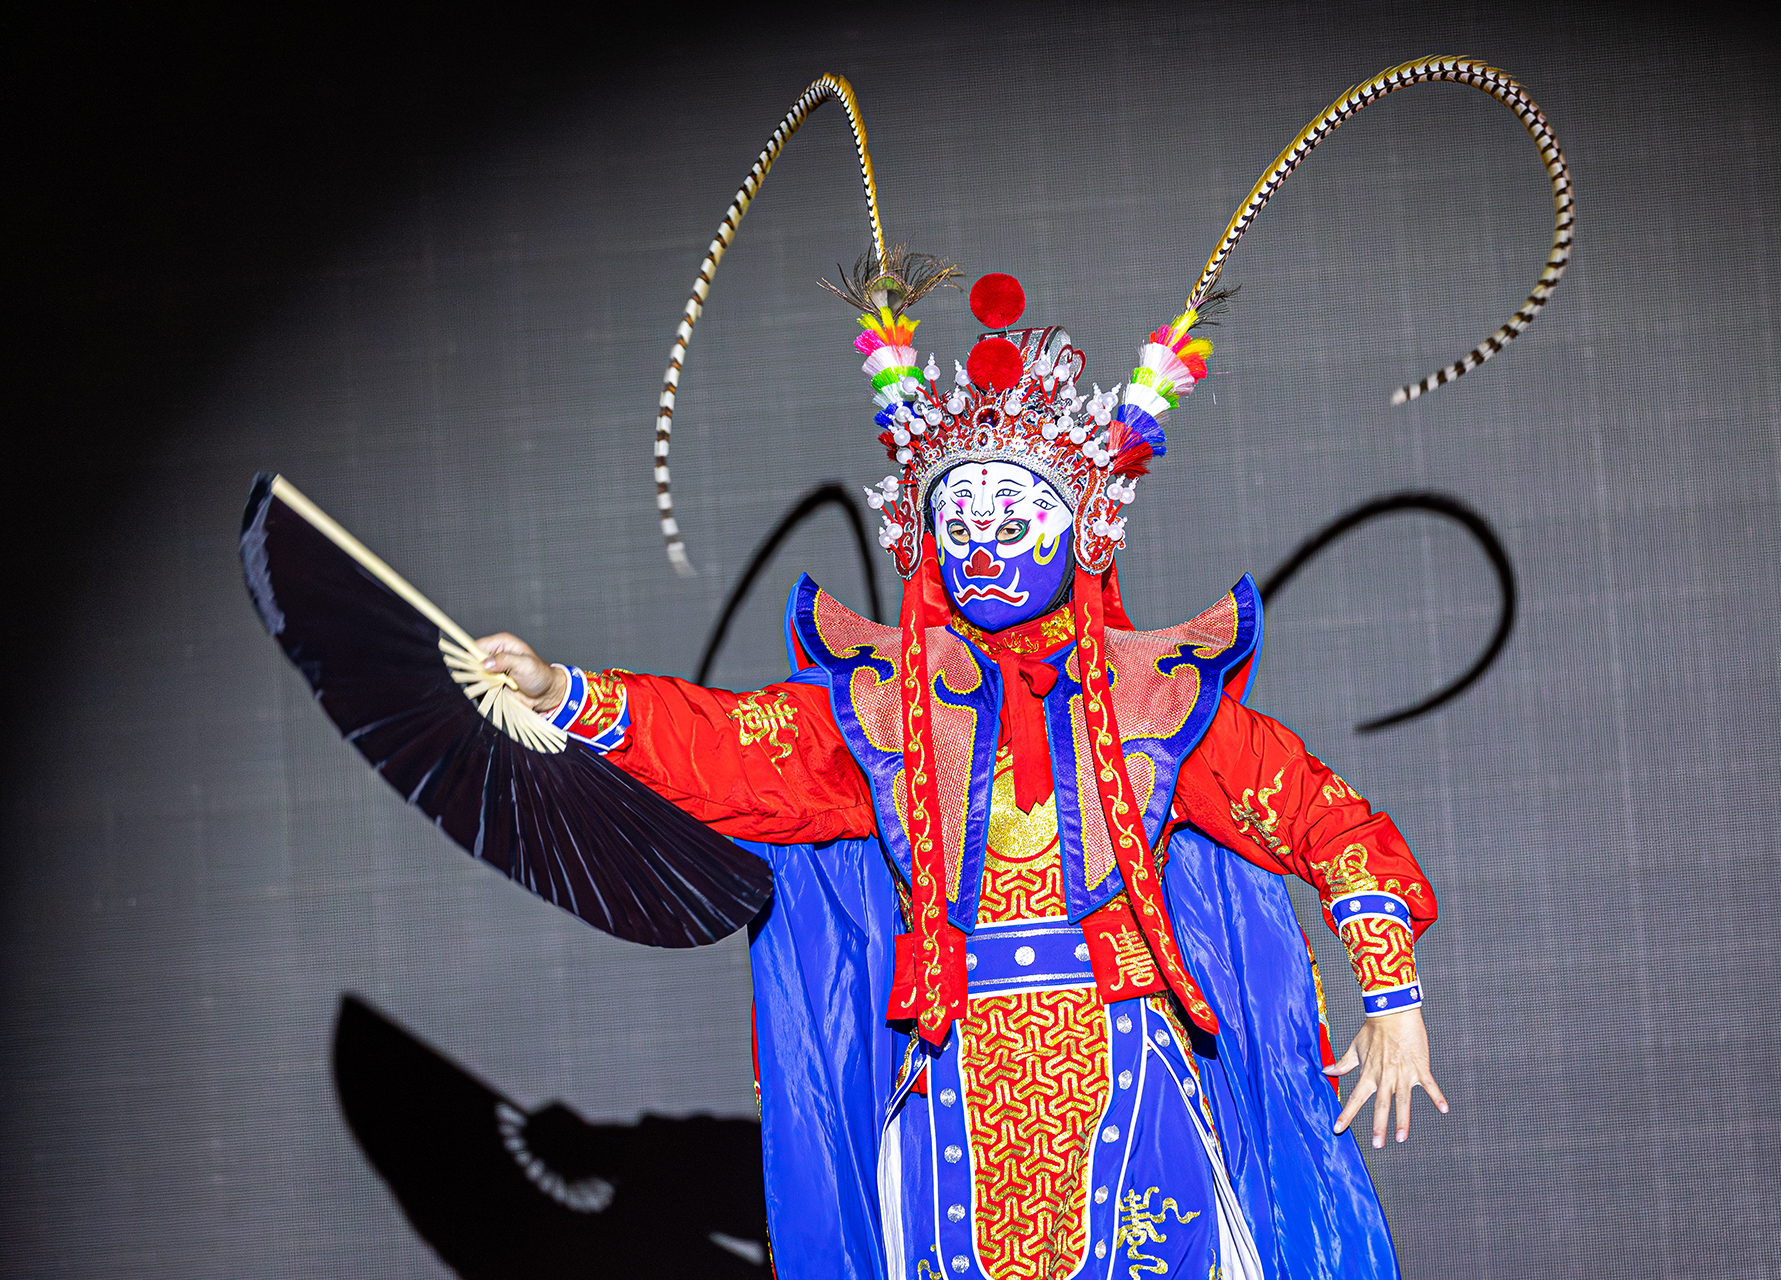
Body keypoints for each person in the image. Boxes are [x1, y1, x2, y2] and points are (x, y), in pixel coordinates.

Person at [395, 59, 1568, 1280]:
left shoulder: (1157, 701)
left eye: (1016, 519)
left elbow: (1327, 819)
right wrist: (566, 694)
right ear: (924, 535)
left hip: (1131, 1083)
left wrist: (1391, 991)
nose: (987, 547)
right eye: (961, 520)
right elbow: (733, 748)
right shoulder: (882, 711)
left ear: (1083, 531)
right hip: (949, 1099)